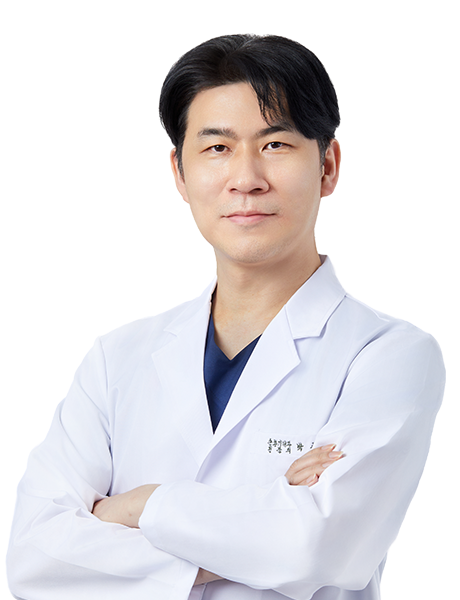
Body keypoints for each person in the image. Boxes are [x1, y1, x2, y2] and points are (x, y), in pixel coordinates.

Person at [7, 34, 445, 600]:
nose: (246, 178)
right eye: (217, 147)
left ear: (328, 166)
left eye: (276, 144)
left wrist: (138, 506)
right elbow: (35, 559)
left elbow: (322, 548)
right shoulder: (116, 361)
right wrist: (264, 520)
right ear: (180, 173)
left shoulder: (389, 356)